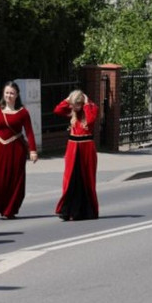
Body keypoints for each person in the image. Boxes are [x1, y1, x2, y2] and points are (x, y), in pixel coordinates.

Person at [0, 81, 38, 219]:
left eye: (12, 93)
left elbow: (29, 132)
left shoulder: (23, 112)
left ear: (17, 95)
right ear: (3, 94)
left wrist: (33, 151)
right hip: (0, 149)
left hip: (17, 149)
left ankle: (10, 210)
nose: (9, 95)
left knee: (15, 180)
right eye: (7, 92)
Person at [54, 90, 100, 221]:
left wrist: (86, 103)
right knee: (71, 179)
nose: (73, 108)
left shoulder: (91, 108)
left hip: (86, 148)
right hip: (72, 148)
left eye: (76, 105)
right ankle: (67, 211)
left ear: (82, 103)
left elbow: (90, 120)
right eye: (72, 105)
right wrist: (68, 100)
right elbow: (57, 110)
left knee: (86, 179)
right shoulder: (72, 110)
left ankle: (85, 211)